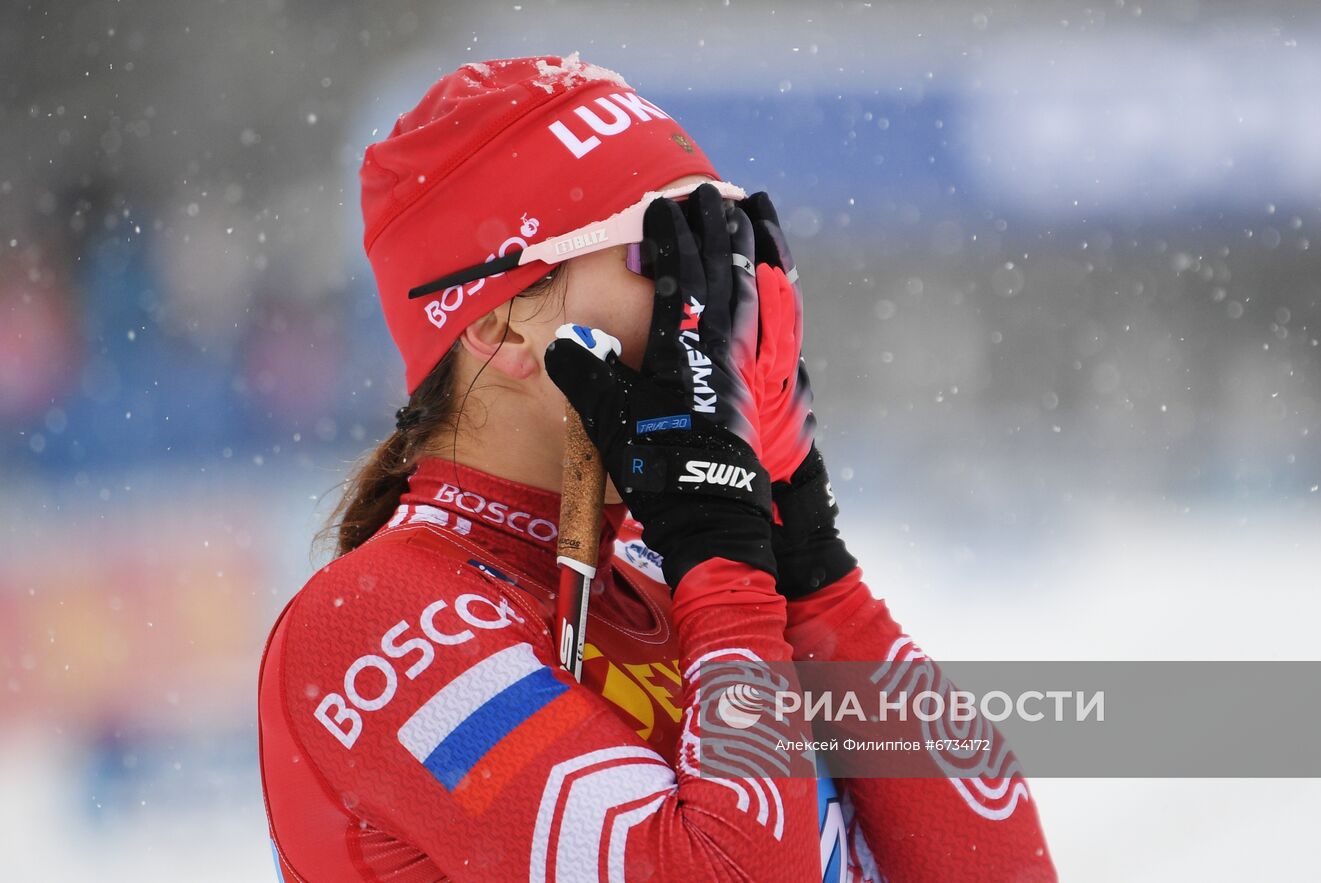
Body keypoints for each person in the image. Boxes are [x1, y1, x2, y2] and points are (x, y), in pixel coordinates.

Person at [258, 54, 1056, 882]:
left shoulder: (663, 566)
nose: (718, 305)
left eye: (725, 247)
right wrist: (719, 545)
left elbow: (997, 866)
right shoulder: (379, 627)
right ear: (498, 328)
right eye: (661, 255)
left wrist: (804, 553)